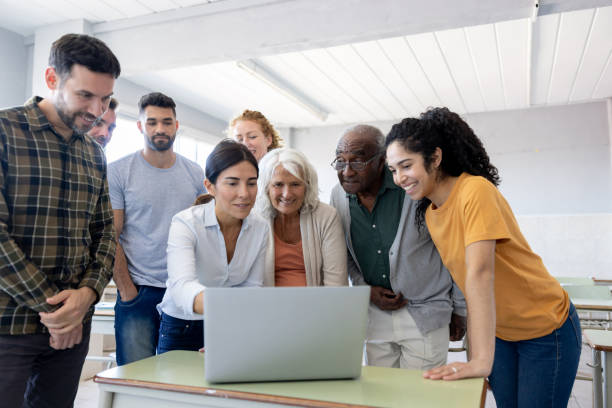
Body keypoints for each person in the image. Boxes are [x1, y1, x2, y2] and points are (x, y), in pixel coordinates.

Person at [385, 108, 580, 407]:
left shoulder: (474, 191)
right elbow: (468, 286)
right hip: (501, 334)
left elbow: (480, 274)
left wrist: (480, 361)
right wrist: (477, 355)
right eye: (393, 170)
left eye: (406, 165)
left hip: (544, 328)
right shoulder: (432, 211)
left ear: (435, 158)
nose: (399, 178)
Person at [0, 33, 118, 407]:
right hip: (9, 327)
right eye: (86, 95)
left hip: (72, 332)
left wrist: (86, 297)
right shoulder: (5, 132)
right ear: (52, 79)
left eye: (105, 99)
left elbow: (104, 234)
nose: (97, 110)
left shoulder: (94, 155)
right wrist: (58, 313)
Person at [329, 124, 466, 370]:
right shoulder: (338, 196)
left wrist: (459, 308)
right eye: (340, 161)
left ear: (382, 161)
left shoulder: (414, 188)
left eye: (358, 162)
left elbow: (453, 250)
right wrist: (365, 289)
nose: (347, 171)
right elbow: (345, 253)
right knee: (381, 397)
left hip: (426, 311)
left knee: (420, 398)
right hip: (374, 316)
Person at [108, 92, 206, 365]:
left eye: (166, 122)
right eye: (152, 122)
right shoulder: (118, 171)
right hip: (139, 292)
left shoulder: (195, 173)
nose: (159, 129)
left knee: (183, 376)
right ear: (140, 126)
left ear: (176, 125)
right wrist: (128, 291)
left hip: (184, 292)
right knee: (134, 377)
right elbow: (110, 235)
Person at [156, 139, 268, 353]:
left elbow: (252, 286)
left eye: (251, 183)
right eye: (232, 183)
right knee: (176, 387)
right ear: (210, 186)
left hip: (230, 325)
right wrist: (227, 310)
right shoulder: (185, 222)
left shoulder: (260, 227)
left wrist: (231, 330)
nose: (244, 193)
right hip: (183, 327)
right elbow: (182, 287)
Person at [255, 148, 348, 287]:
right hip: (267, 305)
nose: (287, 194)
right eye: (278, 184)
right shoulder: (253, 219)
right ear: (266, 188)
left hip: (316, 306)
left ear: (307, 186)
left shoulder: (326, 217)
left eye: (295, 184)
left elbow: (336, 283)